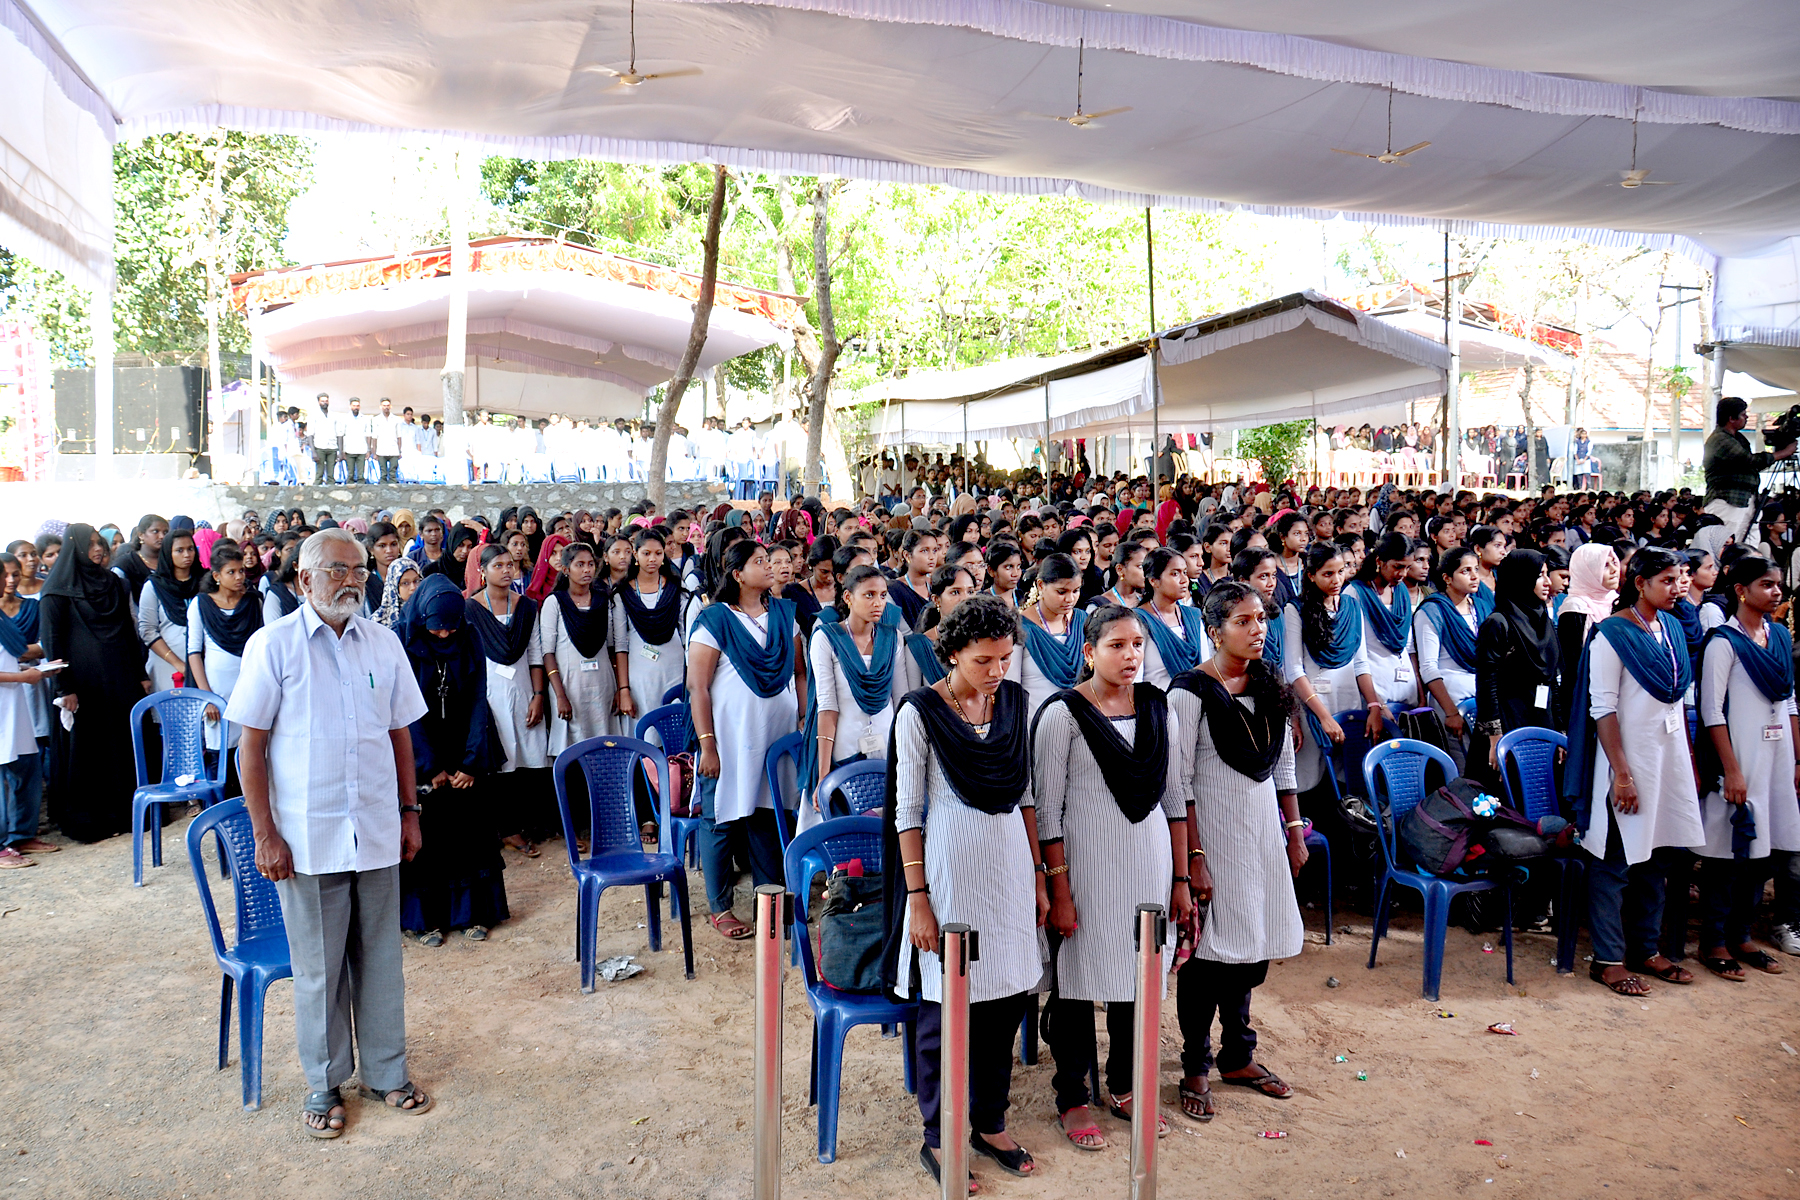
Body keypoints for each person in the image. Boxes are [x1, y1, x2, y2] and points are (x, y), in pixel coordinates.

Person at [226, 527, 434, 1137]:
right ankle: (324, 1083)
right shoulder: (273, 646)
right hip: (307, 838)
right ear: (303, 579)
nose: (351, 581)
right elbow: (250, 747)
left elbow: (399, 733)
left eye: (360, 571)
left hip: (375, 828)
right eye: (337, 570)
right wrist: (265, 834)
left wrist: (410, 811)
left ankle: (387, 1073)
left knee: (382, 961)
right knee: (319, 968)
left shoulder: (383, 642)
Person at [882, 595, 1045, 1187]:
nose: (997, 671)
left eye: (1005, 658)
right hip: (949, 875)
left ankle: (989, 1121)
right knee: (944, 1010)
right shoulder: (920, 712)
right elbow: (907, 813)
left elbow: (1027, 795)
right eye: (983, 660)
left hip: (1009, 870)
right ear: (951, 653)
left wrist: (1039, 876)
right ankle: (938, 1135)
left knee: (1005, 1001)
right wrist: (919, 899)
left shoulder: (1015, 704)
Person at [1034, 605, 1188, 1148]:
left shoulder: (1157, 706)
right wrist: (1059, 890)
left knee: (1137, 978)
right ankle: (1073, 1096)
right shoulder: (1063, 715)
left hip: (1149, 866)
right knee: (1076, 983)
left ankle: (1124, 1084)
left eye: (1137, 644)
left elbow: (1175, 798)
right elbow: (1047, 814)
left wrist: (1181, 878)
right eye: (1116, 645)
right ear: (1089, 652)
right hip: (1085, 872)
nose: (1130, 655)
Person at [1169, 579, 1304, 1121]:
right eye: (1242, 621)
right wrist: (1193, 857)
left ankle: (1238, 1056)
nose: (1256, 630)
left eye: (1261, 620)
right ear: (1214, 630)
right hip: (1214, 841)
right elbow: (1179, 783)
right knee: (1207, 958)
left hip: (1260, 835)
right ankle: (1196, 1065)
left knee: (1250, 947)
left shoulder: (1269, 682)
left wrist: (1294, 830)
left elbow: (1284, 764)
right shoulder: (1190, 692)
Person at [1562, 546, 1706, 995]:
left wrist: (1687, 764)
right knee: (1615, 862)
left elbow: (1677, 703)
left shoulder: (1671, 629)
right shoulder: (1611, 634)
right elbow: (1603, 709)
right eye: (1667, 580)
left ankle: (1646, 949)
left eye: (1680, 578)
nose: (1677, 587)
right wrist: (1621, 774)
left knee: (1657, 858)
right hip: (1627, 763)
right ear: (1640, 583)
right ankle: (1607, 960)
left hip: (1669, 759)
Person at [688, 540, 803, 939]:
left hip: (775, 735)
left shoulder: (784, 615)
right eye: (759, 562)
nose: (770, 566)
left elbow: (799, 672)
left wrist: (802, 715)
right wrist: (707, 744)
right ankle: (720, 907)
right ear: (737, 575)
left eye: (769, 560)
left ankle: (769, 902)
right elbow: (698, 687)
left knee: (768, 814)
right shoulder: (715, 620)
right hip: (729, 738)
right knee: (720, 817)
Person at [1691, 555, 1798, 980]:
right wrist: (1731, 769)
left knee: (1764, 854)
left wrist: (1796, 759)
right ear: (1741, 590)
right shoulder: (1723, 643)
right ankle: (1714, 940)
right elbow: (1712, 712)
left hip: (1777, 757)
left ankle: (1742, 935)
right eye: (1767, 584)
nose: (1776, 592)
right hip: (1740, 759)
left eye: (1778, 585)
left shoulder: (1780, 636)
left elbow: (1789, 701)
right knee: (1727, 855)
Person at [400, 575, 511, 946]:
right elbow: (404, 708)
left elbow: (479, 697)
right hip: (421, 748)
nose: (445, 635)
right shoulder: (402, 639)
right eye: (437, 628)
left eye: (451, 627)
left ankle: (472, 913)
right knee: (428, 836)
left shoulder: (469, 634)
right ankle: (424, 920)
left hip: (465, 746)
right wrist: (429, 766)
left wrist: (471, 762)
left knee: (468, 832)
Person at [40, 524, 148, 843]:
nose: (98, 549)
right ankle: (90, 819)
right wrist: (64, 688)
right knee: (88, 750)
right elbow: (52, 642)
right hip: (82, 685)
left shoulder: (113, 583)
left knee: (121, 744)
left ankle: (125, 813)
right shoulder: (56, 591)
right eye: (89, 545)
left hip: (120, 678)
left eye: (99, 543)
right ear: (75, 550)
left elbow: (128, 632)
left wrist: (140, 674)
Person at [799, 564, 906, 831]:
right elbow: (827, 707)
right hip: (844, 750)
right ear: (848, 597)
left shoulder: (893, 638)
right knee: (848, 831)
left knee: (888, 831)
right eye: (869, 595)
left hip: (886, 748)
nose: (878, 603)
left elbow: (901, 701)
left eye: (882, 595)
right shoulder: (826, 638)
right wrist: (823, 775)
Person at [467, 544, 552, 854]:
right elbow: (470, 659)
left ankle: (534, 825)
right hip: (490, 696)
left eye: (509, 565)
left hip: (524, 691)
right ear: (483, 571)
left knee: (530, 759)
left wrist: (538, 696)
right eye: (498, 566)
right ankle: (508, 830)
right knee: (501, 764)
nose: (506, 571)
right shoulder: (471, 609)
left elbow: (535, 654)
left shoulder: (526, 607)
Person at [1281, 543, 1381, 795]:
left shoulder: (1352, 606)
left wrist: (1374, 705)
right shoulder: (1295, 609)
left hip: (1349, 704)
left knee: (1350, 781)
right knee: (1313, 783)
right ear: (1311, 575)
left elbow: (1361, 663)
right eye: (1328, 574)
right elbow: (1294, 670)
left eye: (1341, 571)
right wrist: (1324, 717)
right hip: (1314, 707)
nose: (1336, 580)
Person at [1472, 550, 1559, 788]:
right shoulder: (1497, 623)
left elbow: (1552, 677)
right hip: (1509, 719)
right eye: (1539, 575)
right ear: (1521, 579)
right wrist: (1495, 737)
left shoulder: (1543, 620)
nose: (1548, 582)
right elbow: (1486, 682)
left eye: (1547, 574)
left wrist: (1559, 729)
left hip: (1541, 717)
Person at [185, 540, 263, 793]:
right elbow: (194, 653)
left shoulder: (253, 602)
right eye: (231, 572)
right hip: (218, 693)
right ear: (217, 576)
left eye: (241, 571)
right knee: (222, 756)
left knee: (251, 751)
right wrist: (207, 697)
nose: (239, 577)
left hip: (249, 689)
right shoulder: (201, 604)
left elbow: (262, 646)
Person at [542, 541, 619, 753]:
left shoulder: (603, 600)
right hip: (569, 685)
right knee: (573, 746)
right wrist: (560, 695)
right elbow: (548, 652)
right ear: (566, 569)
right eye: (580, 565)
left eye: (590, 564)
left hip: (602, 683)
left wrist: (619, 689)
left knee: (604, 742)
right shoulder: (555, 602)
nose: (587, 570)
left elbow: (611, 647)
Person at [611, 529, 692, 725]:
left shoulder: (676, 587)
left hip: (675, 670)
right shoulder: (622, 593)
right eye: (646, 553)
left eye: (658, 553)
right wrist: (624, 689)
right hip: (640, 675)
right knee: (646, 729)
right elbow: (620, 645)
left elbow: (686, 636)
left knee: (675, 727)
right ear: (635, 554)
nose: (652, 559)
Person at [1414, 547, 1482, 773]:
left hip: (1483, 699)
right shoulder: (1432, 611)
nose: (1474, 576)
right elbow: (1428, 667)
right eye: (1465, 571)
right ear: (1447, 578)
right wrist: (1451, 712)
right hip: (1452, 701)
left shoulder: (1482, 607)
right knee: (1462, 770)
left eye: (1476, 569)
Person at [1702, 397, 1795, 544]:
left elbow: (1752, 465)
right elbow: (1749, 461)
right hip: (1728, 501)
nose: (1746, 417)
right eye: (1743, 414)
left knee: (1749, 545)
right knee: (1726, 544)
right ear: (1731, 418)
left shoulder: (1738, 438)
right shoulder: (1720, 439)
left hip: (1745, 500)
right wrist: (1783, 453)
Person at [1011, 553, 1088, 720]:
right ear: (1041, 585)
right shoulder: (1020, 628)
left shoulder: (1082, 621)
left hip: (1080, 721)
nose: (1070, 599)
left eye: (1076, 591)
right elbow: (1012, 688)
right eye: (1061, 592)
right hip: (1035, 722)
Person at [1347, 533, 1417, 715]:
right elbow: (1357, 656)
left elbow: (1409, 646)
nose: (1403, 574)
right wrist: (1376, 703)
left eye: (1408, 567)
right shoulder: (1355, 593)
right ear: (1379, 561)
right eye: (1397, 567)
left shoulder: (1401, 591)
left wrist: (1419, 690)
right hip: (1376, 692)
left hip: (1408, 692)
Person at [1133, 548, 1210, 689]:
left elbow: (1206, 666)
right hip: (1157, 700)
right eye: (1175, 574)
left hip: (1195, 698)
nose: (1184, 580)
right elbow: (1135, 679)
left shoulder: (1193, 616)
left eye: (1185, 572)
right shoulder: (1138, 621)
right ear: (1154, 581)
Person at [137, 528, 201, 693]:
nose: (187, 554)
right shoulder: (154, 586)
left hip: (203, 663)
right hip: (167, 665)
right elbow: (147, 630)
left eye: (190, 549)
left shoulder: (204, 582)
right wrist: (178, 664)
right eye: (179, 550)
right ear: (168, 553)